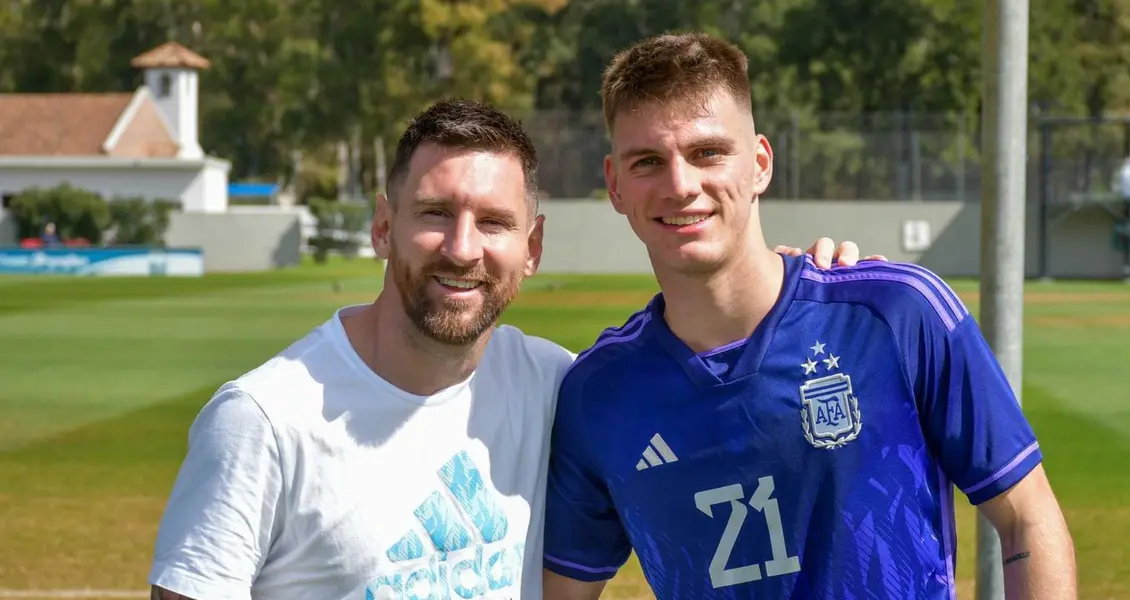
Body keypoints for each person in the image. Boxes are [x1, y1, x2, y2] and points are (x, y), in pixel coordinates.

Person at [146, 98, 873, 600]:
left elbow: (715, 384)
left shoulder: (558, 387)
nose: (462, 250)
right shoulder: (264, 420)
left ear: (531, 248)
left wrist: (787, 290)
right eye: (434, 214)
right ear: (382, 227)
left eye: (493, 223)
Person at [541, 32, 1077, 600]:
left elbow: (1027, 519)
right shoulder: (598, 393)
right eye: (648, 161)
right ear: (615, 185)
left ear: (761, 165)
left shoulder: (895, 315)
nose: (680, 185)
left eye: (708, 153)